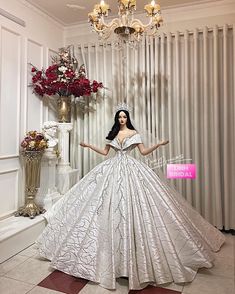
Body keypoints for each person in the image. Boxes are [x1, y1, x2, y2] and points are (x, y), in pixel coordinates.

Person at [36, 106, 225, 291]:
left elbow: (143, 152)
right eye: (119, 117)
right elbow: (104, 153)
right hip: (112, 168)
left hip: (132, 169)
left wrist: (158, 144)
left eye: (124, 117)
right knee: (103, 204)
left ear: (128, 118)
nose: (121, 119)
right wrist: (87, 145)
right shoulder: (113, 134)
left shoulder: (134, 133)